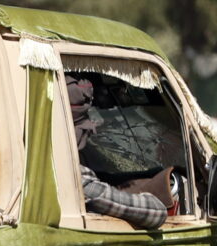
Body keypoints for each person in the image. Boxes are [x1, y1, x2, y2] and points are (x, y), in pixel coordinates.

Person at [65, 77, 172, 229]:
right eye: (83, 127)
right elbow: (156, 212)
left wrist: (148, 175)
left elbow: (100, 177)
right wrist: (151, 194)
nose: (92, 130)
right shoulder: (74, 178)